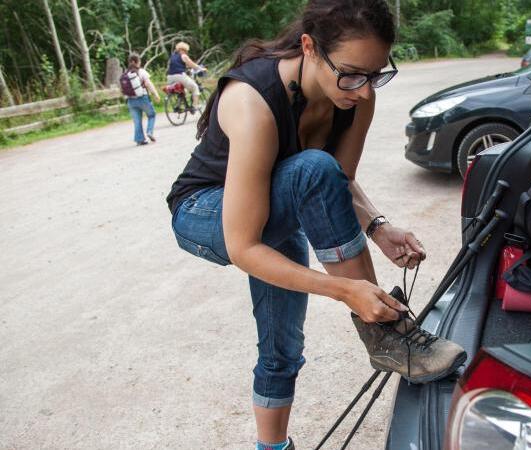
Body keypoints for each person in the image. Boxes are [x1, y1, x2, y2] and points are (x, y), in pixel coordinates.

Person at [165, 1, 465, 449]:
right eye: (351, 73)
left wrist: (379, 228)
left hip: (276, 208)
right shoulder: (252, 100)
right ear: (308, 46)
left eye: (375, 74)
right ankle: (384, 331)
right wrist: (346, 290)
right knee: (310, 169)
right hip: (206, 212)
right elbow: (245, 244)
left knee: (281, 347)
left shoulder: (355, 97)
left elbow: (338, 183)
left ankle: (273, 448)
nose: (363, 90)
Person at [123, 53, 160, 145]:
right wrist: (155, 94)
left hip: (131, 100)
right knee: (151, 115)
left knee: (137, 121)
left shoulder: (125, 73)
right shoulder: (141, 71)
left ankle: (140, 140)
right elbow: (148, 84)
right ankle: (149, 132)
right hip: (142, 98)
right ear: (137, 62)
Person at [166, 41, 203, 112]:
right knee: (195, 87)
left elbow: (177, 65)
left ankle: (179, 104)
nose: (186, 52)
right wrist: (200, 68)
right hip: (179, 76)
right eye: (186, 51)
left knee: (183, 90)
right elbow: (192, 65)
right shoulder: (183, 56)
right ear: (182, 50)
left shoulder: (172, 56)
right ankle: (195, 106)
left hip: (170, 77)